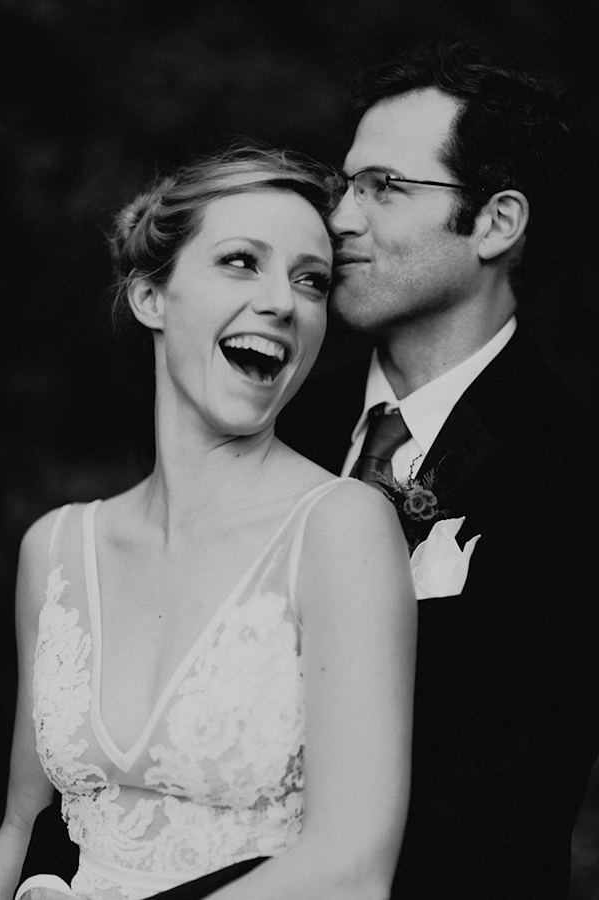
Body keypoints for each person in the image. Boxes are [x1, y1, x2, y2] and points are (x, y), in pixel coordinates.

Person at [0, 147, 417, 900]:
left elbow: (352, 869)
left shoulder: (341, 527)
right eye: (240, 262)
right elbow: (22, 827)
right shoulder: (56, 548)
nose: (284, 304)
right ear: (151, 298)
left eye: (311, 280)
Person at [277, 42, 599, 900]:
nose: (341, 219)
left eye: (385, 187)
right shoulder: (274, 422)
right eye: (344, 185)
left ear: (496, 222)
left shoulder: (572, 473)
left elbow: (508, 799)